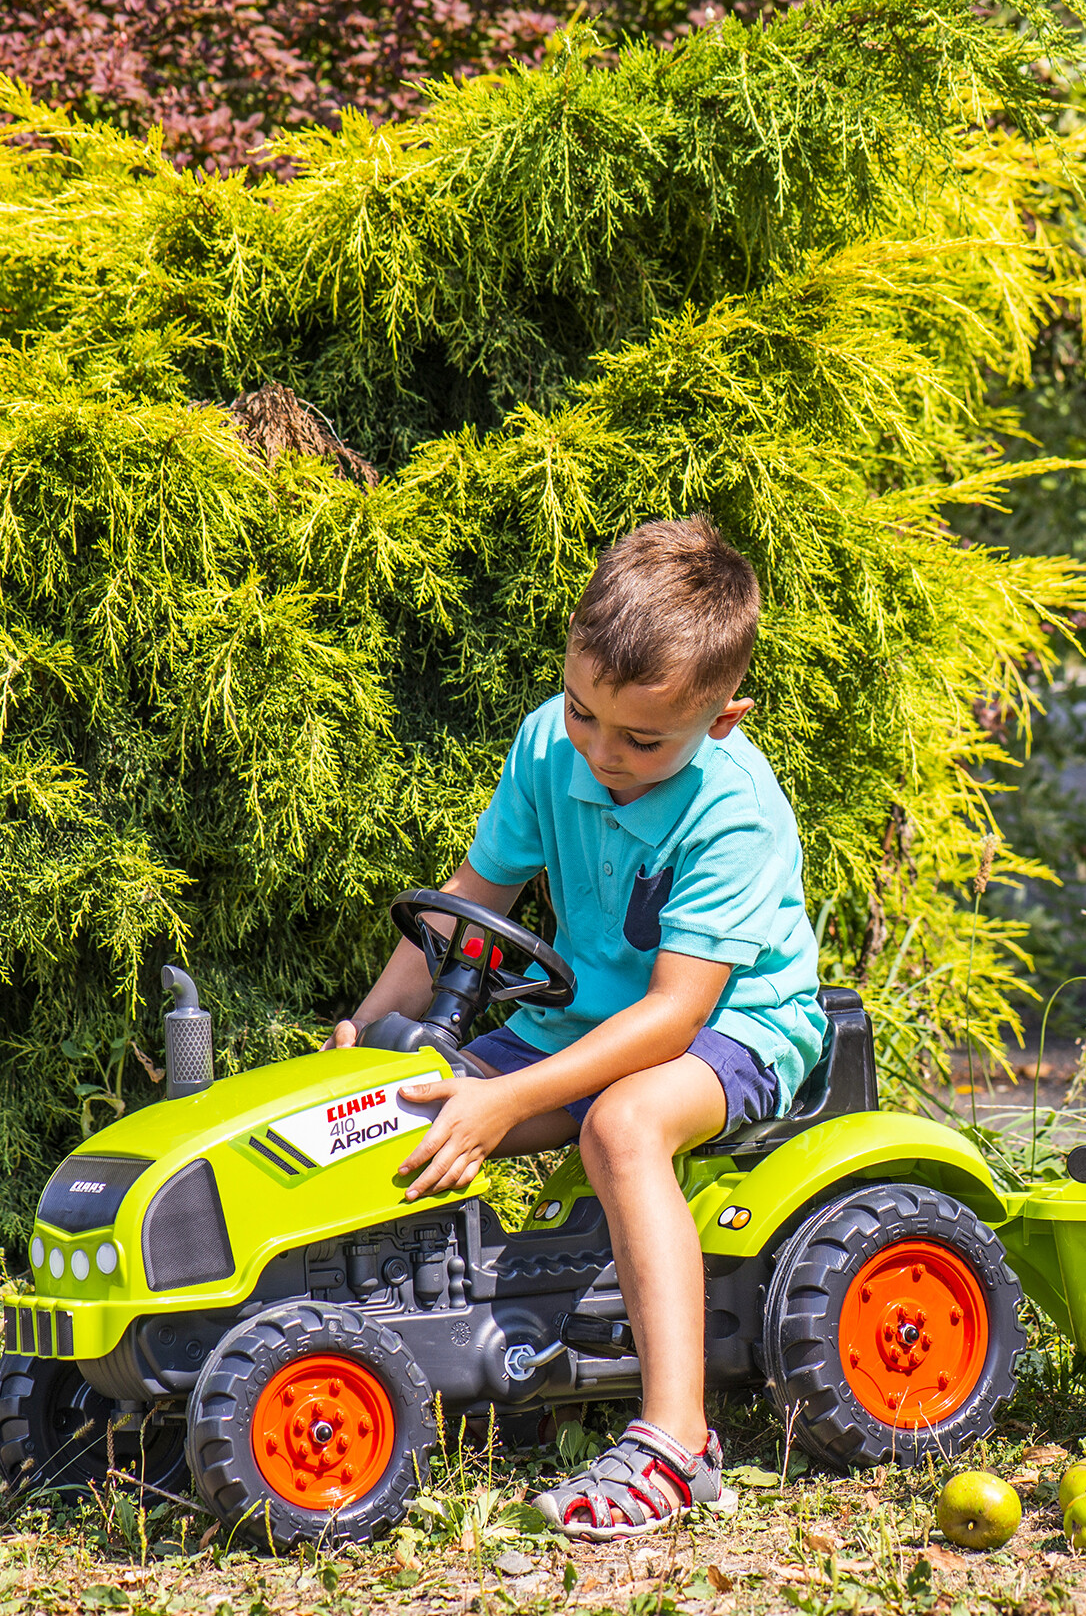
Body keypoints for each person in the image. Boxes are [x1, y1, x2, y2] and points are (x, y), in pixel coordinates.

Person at [329, 515, 825, 1540]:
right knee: (384, 1107)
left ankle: (678, 1443)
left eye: (641, 739)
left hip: (731, 1030)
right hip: (586, 1018)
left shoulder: (734, 814)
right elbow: (475, 896)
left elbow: (675, 1014)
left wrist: (505, 1096)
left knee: (621, 1127)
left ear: (723, 719)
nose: (600, 752)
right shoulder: (549, 745)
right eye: (583, 712)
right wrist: (373, 1026)